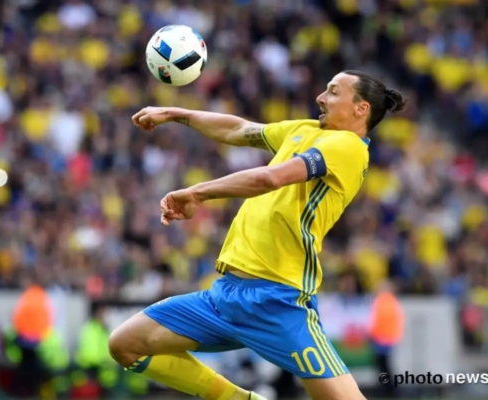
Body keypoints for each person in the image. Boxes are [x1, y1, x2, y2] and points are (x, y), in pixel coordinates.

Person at [109, 71, 406, 400]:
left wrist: (197, 193)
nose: (321, 98)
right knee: (125, 345)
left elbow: (270, 178)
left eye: (334, 92)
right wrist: (175, 113)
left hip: (279, 301)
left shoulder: (349, 147)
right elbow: (237, 129)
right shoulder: (304, 130)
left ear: (361, 109)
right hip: (224, 297)